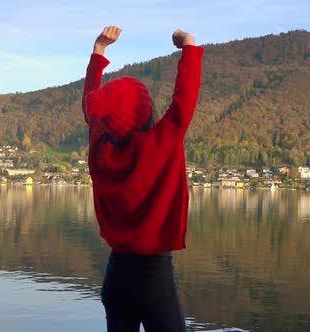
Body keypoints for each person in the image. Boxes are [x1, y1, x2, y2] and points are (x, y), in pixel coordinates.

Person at [82, 25, 203, 332]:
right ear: (144, 112)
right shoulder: (158, 146)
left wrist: (99, 51)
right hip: (153, 277)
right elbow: (183, 103)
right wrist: (189, 48)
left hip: (116, 275)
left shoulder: (100, 148)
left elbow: (92, 107)